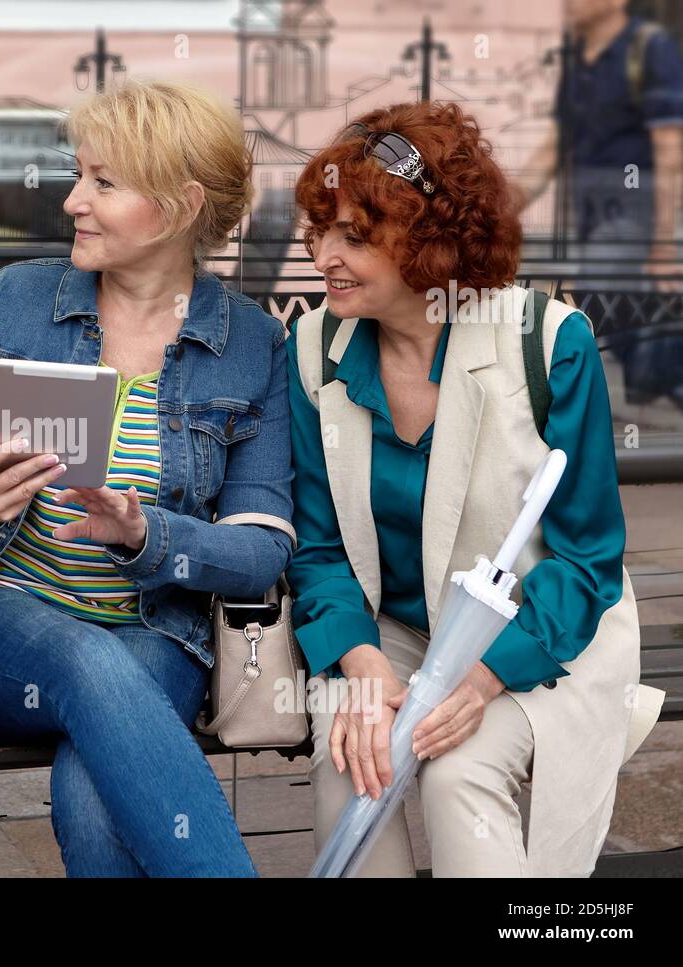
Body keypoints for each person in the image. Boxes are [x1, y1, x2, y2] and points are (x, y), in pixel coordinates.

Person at [0, 80, 293, 876]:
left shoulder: (253, 345)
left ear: (182, 206)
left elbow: (260, 552)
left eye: (104, 182)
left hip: (154, 629)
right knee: (90, 665)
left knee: (92, 796)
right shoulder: (16, 302)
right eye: (79, 175)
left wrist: (151, 537)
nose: (74, 201)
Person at [289, 100, 656, 876]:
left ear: (430, 238)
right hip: (391, 634)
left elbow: (587, 558)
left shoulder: (550, 341)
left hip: (539, 633)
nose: (324, 255)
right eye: (320, 231)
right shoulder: (313, 349)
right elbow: (318, 549)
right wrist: (364, 671)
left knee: (459, 774)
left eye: (354, 235)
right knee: (348, 755)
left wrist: (486, 675)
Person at [516, 0, 683, 408]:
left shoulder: (648, 48)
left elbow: (669, 148)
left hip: (634, 205)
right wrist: (507, 203)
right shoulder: (577, 62)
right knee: (600, 293)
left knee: (606, 289)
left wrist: (663, 240)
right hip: (590, 213)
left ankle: (656, 379)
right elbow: (556, 146)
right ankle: (652, 381)